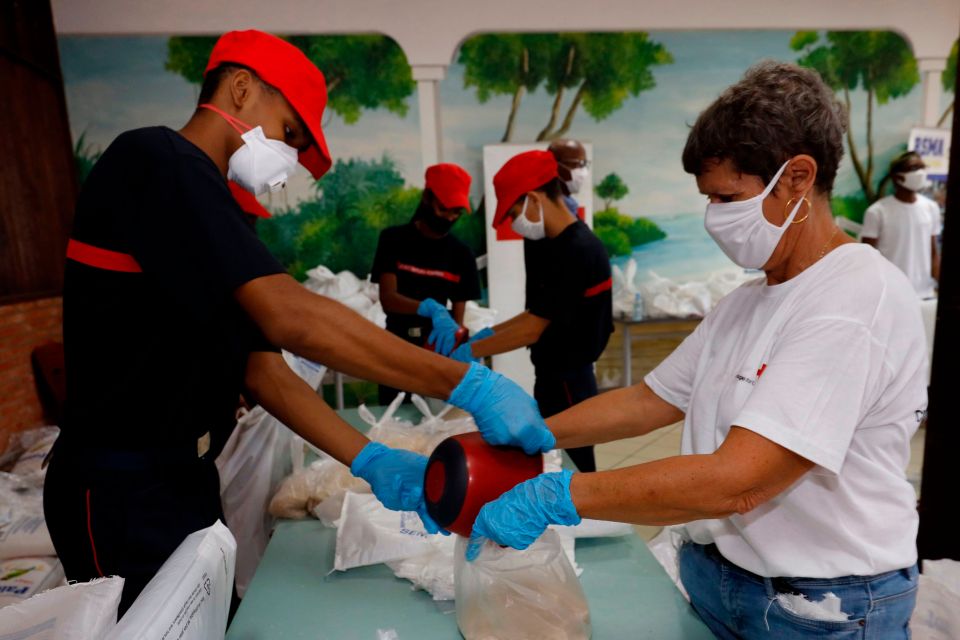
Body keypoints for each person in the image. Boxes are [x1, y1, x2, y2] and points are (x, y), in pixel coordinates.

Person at [45, 30, 552, 614]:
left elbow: (263, 370)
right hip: (117, 486)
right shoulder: (157, 161)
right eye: (289, 131)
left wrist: (368, 458)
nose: (286, 156)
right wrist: (464, 382)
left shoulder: (208, 201)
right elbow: (292, 318)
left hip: (181, 476)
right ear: (240, 88)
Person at [463, 62, 925, 638]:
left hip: (819, 606)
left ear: (797, 178)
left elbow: (736, 481)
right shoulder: (748, 302)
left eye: (727, 198)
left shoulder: (854, 298)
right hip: (726, 579)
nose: (715, 219)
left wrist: (561, 494)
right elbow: (648, 400)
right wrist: (540, 431)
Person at [449, 150, 613, 473]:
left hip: (572, 382)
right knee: (548, 459)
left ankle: (588, 521)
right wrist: (485, 336)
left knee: (574, 466)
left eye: (513, 212)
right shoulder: (546, 243)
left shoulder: (579, 249)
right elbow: (535, 314)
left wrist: (470, 351)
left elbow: (532, 329)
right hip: (550, 375)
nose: (514, 223)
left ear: (534, 199)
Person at [371, 163, 481, 404]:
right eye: (444, 209)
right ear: (426, 199)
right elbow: (388, 298)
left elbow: (457, 323)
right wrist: (429, 307)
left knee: (436, 428)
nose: (449, 217)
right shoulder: (393, 240)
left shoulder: (461, 254)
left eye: (456, 212)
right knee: (395, 423)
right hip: (395, 351)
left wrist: (457, 341)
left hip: (436, 352)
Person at [861, 151, 941, 299]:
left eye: (922, 167)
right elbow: (867, 258)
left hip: (925, 293)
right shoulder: (877, 212)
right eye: (914, 168)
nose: (921, 172)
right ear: (897, 177)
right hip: (891, 295)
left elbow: (933, 253)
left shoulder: (931, 208)